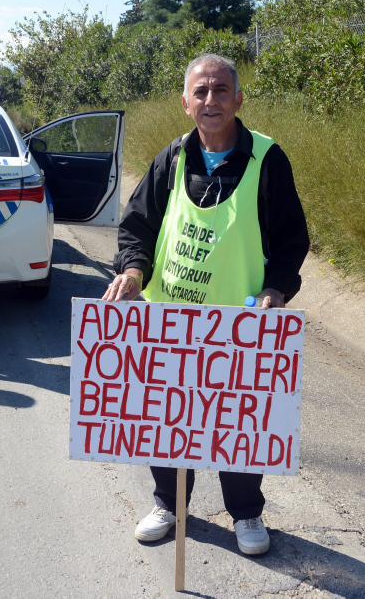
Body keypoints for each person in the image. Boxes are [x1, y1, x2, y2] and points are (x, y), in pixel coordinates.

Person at [103, 53, 309, 555]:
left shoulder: (267, 159)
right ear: (185, 102)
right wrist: (133, 273)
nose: (211, 100)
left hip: (239, 327)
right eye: (201, 92)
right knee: (168, 419)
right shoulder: (171, 158)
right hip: (169, 322)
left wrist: (275, 289)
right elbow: (137, 228)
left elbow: (291, 238)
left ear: (238, 99)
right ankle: (169, 504)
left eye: (221, 91)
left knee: (238, 422)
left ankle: (246, 514)